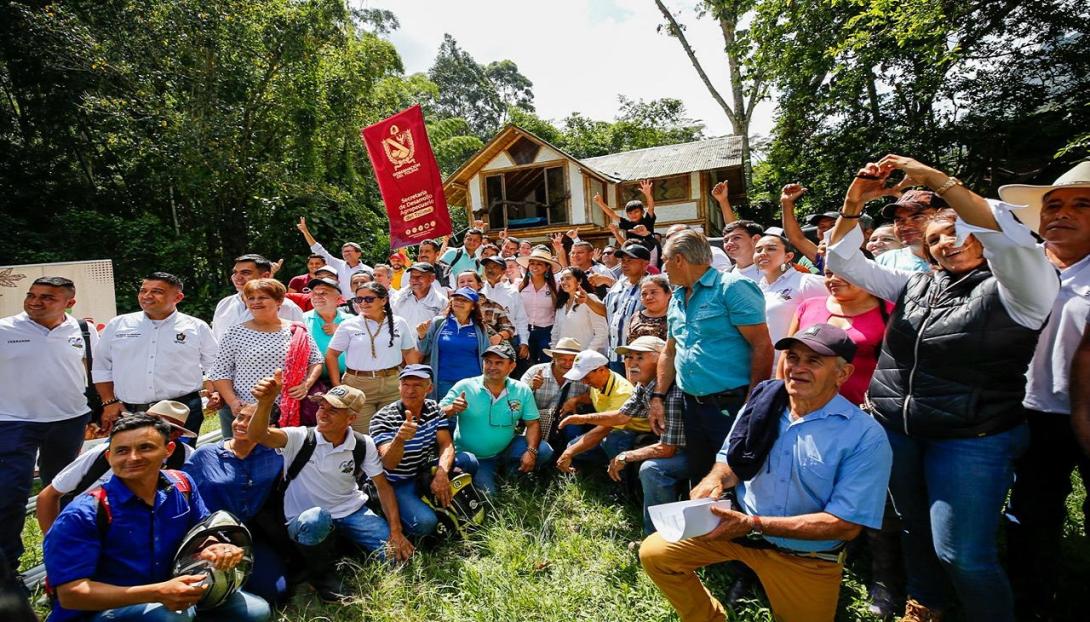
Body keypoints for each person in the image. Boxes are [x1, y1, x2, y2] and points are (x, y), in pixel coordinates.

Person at [826, 155, 1058, 622]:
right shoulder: (914, 285)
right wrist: (854, 202)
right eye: (935, 238)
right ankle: (926, 604)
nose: (947, 243)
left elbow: (1007, 240)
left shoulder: (1022, 289)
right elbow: (841, 259)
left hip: (972, 438)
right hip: (899, 431)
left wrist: (939, 182)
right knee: (913, 527)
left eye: (959, 232)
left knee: (963, 554)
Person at [640, 323, 893, 622]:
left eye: (814, 361)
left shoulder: (865, 436)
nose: (797, 368)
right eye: (793, 357)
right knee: (656, 554)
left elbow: (845, 525)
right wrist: (715, 481)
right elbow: (728, 461)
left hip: (805, 556)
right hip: (740, 533)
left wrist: (752, 523)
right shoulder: (762, 404)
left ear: (843, 374)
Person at [44, 413, 270, 622]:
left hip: (171, 594)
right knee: (172, 616)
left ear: (168, 450)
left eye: (145, 448)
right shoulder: (85, 513)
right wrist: (158, 592)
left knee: (255, 611)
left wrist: (216, 547)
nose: (133, 458)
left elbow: (200, 533)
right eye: (122, 451)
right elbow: (72, 595)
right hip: (101, 612)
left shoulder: (181, 485)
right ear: (108, 455)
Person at [998, 161, 1090, 616]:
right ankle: (1030, 600)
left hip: (1086, 414)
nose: (1061, 213)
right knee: (1032, 513)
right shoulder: (1019, 268)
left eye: (1080, 204)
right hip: (1029, 410)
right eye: (1052, 205)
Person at [248, 376, 412, 602]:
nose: (322, 413)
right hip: (306, 518)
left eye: (333, 410)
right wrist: (265, 403)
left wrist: (396, 531)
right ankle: (323, 578)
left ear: (352, 418)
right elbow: (258, 435)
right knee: (316, 520)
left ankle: (342, 549)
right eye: (321, 406)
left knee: (396, 558)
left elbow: (382, 487)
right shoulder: (300, 437)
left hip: (350, 510)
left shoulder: (363, 444)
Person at [654, 230, 773, 486]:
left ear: (679, 260)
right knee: (701, 473)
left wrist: (752, 402)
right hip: (691, 404)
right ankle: (703, 525)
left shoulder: (731, 287)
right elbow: (670, 349)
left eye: (664, 260)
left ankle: (739, 525)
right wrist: (658, 396)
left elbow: (762, 346)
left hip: (730, 403)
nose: (663, 267)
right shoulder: (676, 297)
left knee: (732, 475)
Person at [0, 276, 96, 583]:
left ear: (69, 303)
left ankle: (69, 555)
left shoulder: (83, 329)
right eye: (32, 295)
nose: (35, 302)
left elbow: (93, 370)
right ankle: (7, 569)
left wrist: (99, 408)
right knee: (10, 493)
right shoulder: (4, 329)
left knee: (65, 488)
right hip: (14, 421)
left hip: (68, 420)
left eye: (47, 298)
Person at [36, 400, 198, 534]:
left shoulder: (186, 457)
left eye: (162, 428)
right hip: (88, 531)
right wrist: (54, 544)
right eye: (147, 424)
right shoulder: (101, 453)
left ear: (176, 436)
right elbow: (48, 496)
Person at [183, 399, 287, 605]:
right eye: (240, 417)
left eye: (251, 420)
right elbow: (184, 495)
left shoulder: (276, 455)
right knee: (207, 593)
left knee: (276, 593)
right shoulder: (206, 455)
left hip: (252, 535)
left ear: (270, 427)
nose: (241, 424)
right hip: (211, 536)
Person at [92, 272, 218, 438]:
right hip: (130, 412)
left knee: (180, 457)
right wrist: (109, 402)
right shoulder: (118, 325)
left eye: (157, 291)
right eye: (143, 290)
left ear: (178, 297)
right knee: (135, 459)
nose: (147, 296)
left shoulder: (196, 327)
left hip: (182, 410)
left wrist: (215, 391)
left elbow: (215, 365)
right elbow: (102, 366)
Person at [588, 337, 689, 535]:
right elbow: (620, 416)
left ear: (662, 361)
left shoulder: (672, 392)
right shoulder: (644, 387)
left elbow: (668, 449)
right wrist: (580, 419)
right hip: (671, 445)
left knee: (652, 469)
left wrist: (626, 456)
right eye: (629, 357)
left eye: (640, 357)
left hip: (695, 453)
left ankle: (658, 536)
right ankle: (631, 498)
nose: (631, 363)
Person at [369, 365, 478, 538]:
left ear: (429, 388)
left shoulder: (433, 409)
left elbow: (446, 444)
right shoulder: (383, 418)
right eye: (405, 384)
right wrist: (399, 439)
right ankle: (399, 512)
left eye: (417, 385)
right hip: (397, 482)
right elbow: (389, 464)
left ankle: (439, 495)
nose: (410, 390)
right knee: (426, 523)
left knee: (469, 460)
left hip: (424, 471)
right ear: (399, 386)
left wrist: (441, 473)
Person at [210, 279, 322, 438]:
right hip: (247, 408)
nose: (256, 302)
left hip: (290, 406)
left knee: (284, 455)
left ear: (279, 301)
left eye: (262, 297)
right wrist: (233, 401)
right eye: (251, 298)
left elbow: (316, 360)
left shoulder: (296, 330)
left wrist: (306, 384)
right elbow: (220, 372)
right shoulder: (234, 333)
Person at [439, 344, 554, 495]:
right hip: (477, 457)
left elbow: (532, 424)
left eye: (499, 363)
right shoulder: (465, 386)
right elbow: (437, 415)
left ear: (511, 366)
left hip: (506, 449)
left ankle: (512, 476)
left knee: (544, 450)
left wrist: (531, 452)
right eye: (488, 362)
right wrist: (452, 408)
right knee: (489, 496)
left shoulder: (521, 390)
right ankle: (493, 476)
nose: (492, 367)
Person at [326, 282, 418, 433]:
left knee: (392, 431)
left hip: (392, 384)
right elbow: (331, 355)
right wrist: (337, 384)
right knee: (363, 433)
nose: (363, 303)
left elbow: (409, 352)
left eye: (369, 299)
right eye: (359, 299)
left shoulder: (399, 323)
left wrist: (414, 380)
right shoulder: (348, 324)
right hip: (358, 385)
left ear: (383, 300)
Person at [553, 350, 638, 470]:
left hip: (633, 432)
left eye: (586, 378)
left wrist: (568, 453)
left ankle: (624, 481)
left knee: (612, 441)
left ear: (601, 370)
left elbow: (604, 430)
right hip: (611, 430)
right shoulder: (599, 382)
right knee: (574, 446)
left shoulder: (622, 392)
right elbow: (591, 397)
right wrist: (576, 400)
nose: (584, 382)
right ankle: (604, 468)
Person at [585, 243, 650, 373]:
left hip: (638, 356)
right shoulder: (619, 284)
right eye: (623, 260)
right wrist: (586, 299)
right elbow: (605, 311)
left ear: (645, 263)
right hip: (615, 354)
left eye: (630, 261)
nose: (624, 264)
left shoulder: (650, 287)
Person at [753, 233, 828, 346]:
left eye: (771, 248)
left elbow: (828, 321)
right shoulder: (754, 289)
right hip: (758, 361)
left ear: (788, 256)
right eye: (758, 250)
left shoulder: (807, 282)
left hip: (794, 360)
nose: (762, 253)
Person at [211, 254, 304, 344]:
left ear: (265, 276)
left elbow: (302, 342)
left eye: (245, 273)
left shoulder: (285, 306)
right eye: (235, 272)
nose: (237, 277)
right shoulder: (224, 304)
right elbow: (215, 343)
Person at [418, 287, 491, 401]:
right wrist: (422, 336)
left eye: (465, 300)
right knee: (446, 415)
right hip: (443, 382)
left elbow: (487, 355)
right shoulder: (438, 322)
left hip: (472, 383)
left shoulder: (479, 328)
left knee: (470, 416)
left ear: (473, 306)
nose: (459, 302)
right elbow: (425, 350)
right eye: (456, 299)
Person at [520, 338, 590, 444]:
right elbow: (517, 398)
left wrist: (576, 400)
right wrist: (532, 387)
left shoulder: (583, 376)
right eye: (563, 359)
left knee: (573, 428)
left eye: (572, 360)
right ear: (554, 357)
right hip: (538, 422)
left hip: (567, 423)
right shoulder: (535, 371)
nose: (567, 364)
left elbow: (594, 396)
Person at [300, 275, 349, 424]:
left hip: (348, 379)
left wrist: (341, 330)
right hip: (313, 381)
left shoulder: (352, 320)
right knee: (317, 420)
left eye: (324, 293)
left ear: (338, 298)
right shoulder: (301, 320)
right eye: (314, 293)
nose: (318, 296)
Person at [296, 217, 373, 298]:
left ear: (359, 254)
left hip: (363, 304)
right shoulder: (337, 264)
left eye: (349, 251)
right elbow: (318, 250)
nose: (346, 253)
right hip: (341, 305)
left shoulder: (369, 271)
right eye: (344, 252)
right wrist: (305, 231)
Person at [873, 189, 941, 273]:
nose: (905, 227)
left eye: (917, 218)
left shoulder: (956, 254)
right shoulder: (883, 262)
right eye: (898, 220)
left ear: (941, 216)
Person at [593, 180, 659, 262]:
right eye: (630, 213)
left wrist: (647, 194)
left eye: (636, 212)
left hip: (650, 253)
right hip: (633, 254)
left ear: (642, 212)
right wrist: (600, 203)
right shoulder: (627, 224)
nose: (633, 215)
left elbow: (651, 207)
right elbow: (612, 214)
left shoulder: (647, 220)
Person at [517, 248, 562, 364]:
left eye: (539, 264)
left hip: (547, 331)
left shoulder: (556, 287)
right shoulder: (519, 286)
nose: (534, 266)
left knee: (545, 364)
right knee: (524, 364)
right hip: (524, 330)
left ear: (547, 267)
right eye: (531, 263)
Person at [481, 256, 530, 361]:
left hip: (510, 341)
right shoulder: (478, 293)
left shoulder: (512, 293)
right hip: (484, 341)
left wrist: (524, 342)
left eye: (494, 267)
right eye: (487, 267)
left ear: (503, 270)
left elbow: (521, 319)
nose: (490, 270)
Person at [551, 267, 609, 356]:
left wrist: (587, 354)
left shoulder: (590, 299)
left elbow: (602, 332)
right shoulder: (562, 303)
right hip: (564, 357)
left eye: (568, 278)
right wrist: (555, 353)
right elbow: (555, 331)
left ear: (579, 281)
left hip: (588, 359)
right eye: (562, 279)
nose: (564, 282)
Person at [456, 270, 517, 348]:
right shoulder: (452, 306)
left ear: (479, 285)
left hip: (486, 350)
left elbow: (509, 328)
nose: (466, 284)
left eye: (470, 281)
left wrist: (499, 336)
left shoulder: (493, 306)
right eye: (461, 282)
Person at [391, 262, 449, 329]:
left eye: (420, 277)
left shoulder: (442, 302)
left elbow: (440, 329)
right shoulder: (397, 297)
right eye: (412, 276)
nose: (414, 280)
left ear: (432, 278)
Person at [628, 274, 671, 342]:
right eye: (644, 294)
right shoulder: (636, 317)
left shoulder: (674, 317)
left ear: (668, 294)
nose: (648, 297)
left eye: (653, 292)